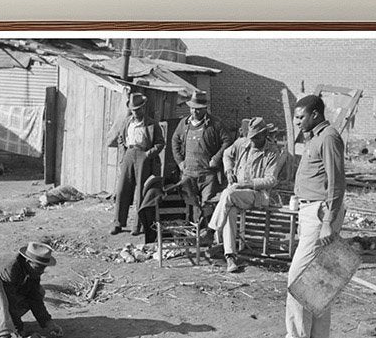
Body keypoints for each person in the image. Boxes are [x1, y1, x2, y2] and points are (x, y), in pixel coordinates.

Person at [272, 95, 346, 338]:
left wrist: (327, 221)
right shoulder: (315, 137)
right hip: (310, 211)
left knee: (299, 277)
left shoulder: (328, 137)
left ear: (315, 114)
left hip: (320, 213)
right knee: (319, 278)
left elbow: (337, 183)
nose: (297, 121)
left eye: (301, 117)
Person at [207, 117, 284, 273]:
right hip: (237, 193)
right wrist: (229, 171)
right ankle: (230, 257)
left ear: (265, 134)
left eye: (256, 137)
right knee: (229, 210)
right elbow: (227, 154)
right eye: (251, 137)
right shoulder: (242, 143)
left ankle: (210, 231)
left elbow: (271, 180)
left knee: (228, 194)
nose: (253, 140)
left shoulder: (272, 152)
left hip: (258, 194)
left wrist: (246, 184)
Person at [106, 91, 164, 237]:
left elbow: (160, 143)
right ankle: (118, 223)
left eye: (138, 110)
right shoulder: (127, 122)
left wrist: (148, 154)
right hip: (129, 154)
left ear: (143, 109)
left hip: (143, 156)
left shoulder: (152, 124)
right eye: (133, 110)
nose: (135, 112)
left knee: (140, 192)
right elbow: (120, 138)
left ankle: (137, 226)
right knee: (122, 189)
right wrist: (124, 152)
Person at [170, 90, 227, 232]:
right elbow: (174, 141)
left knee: (208, 204)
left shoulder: (215, 124)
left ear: (205, 109)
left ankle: (207, 234)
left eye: (198, 109)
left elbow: (227, 141)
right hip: (188, 172)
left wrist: (216, 158)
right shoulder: (184, 123)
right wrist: (179, 161)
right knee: (191, 203)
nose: (194, 111)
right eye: (192, 108)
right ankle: (192, 233)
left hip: (207, 174)